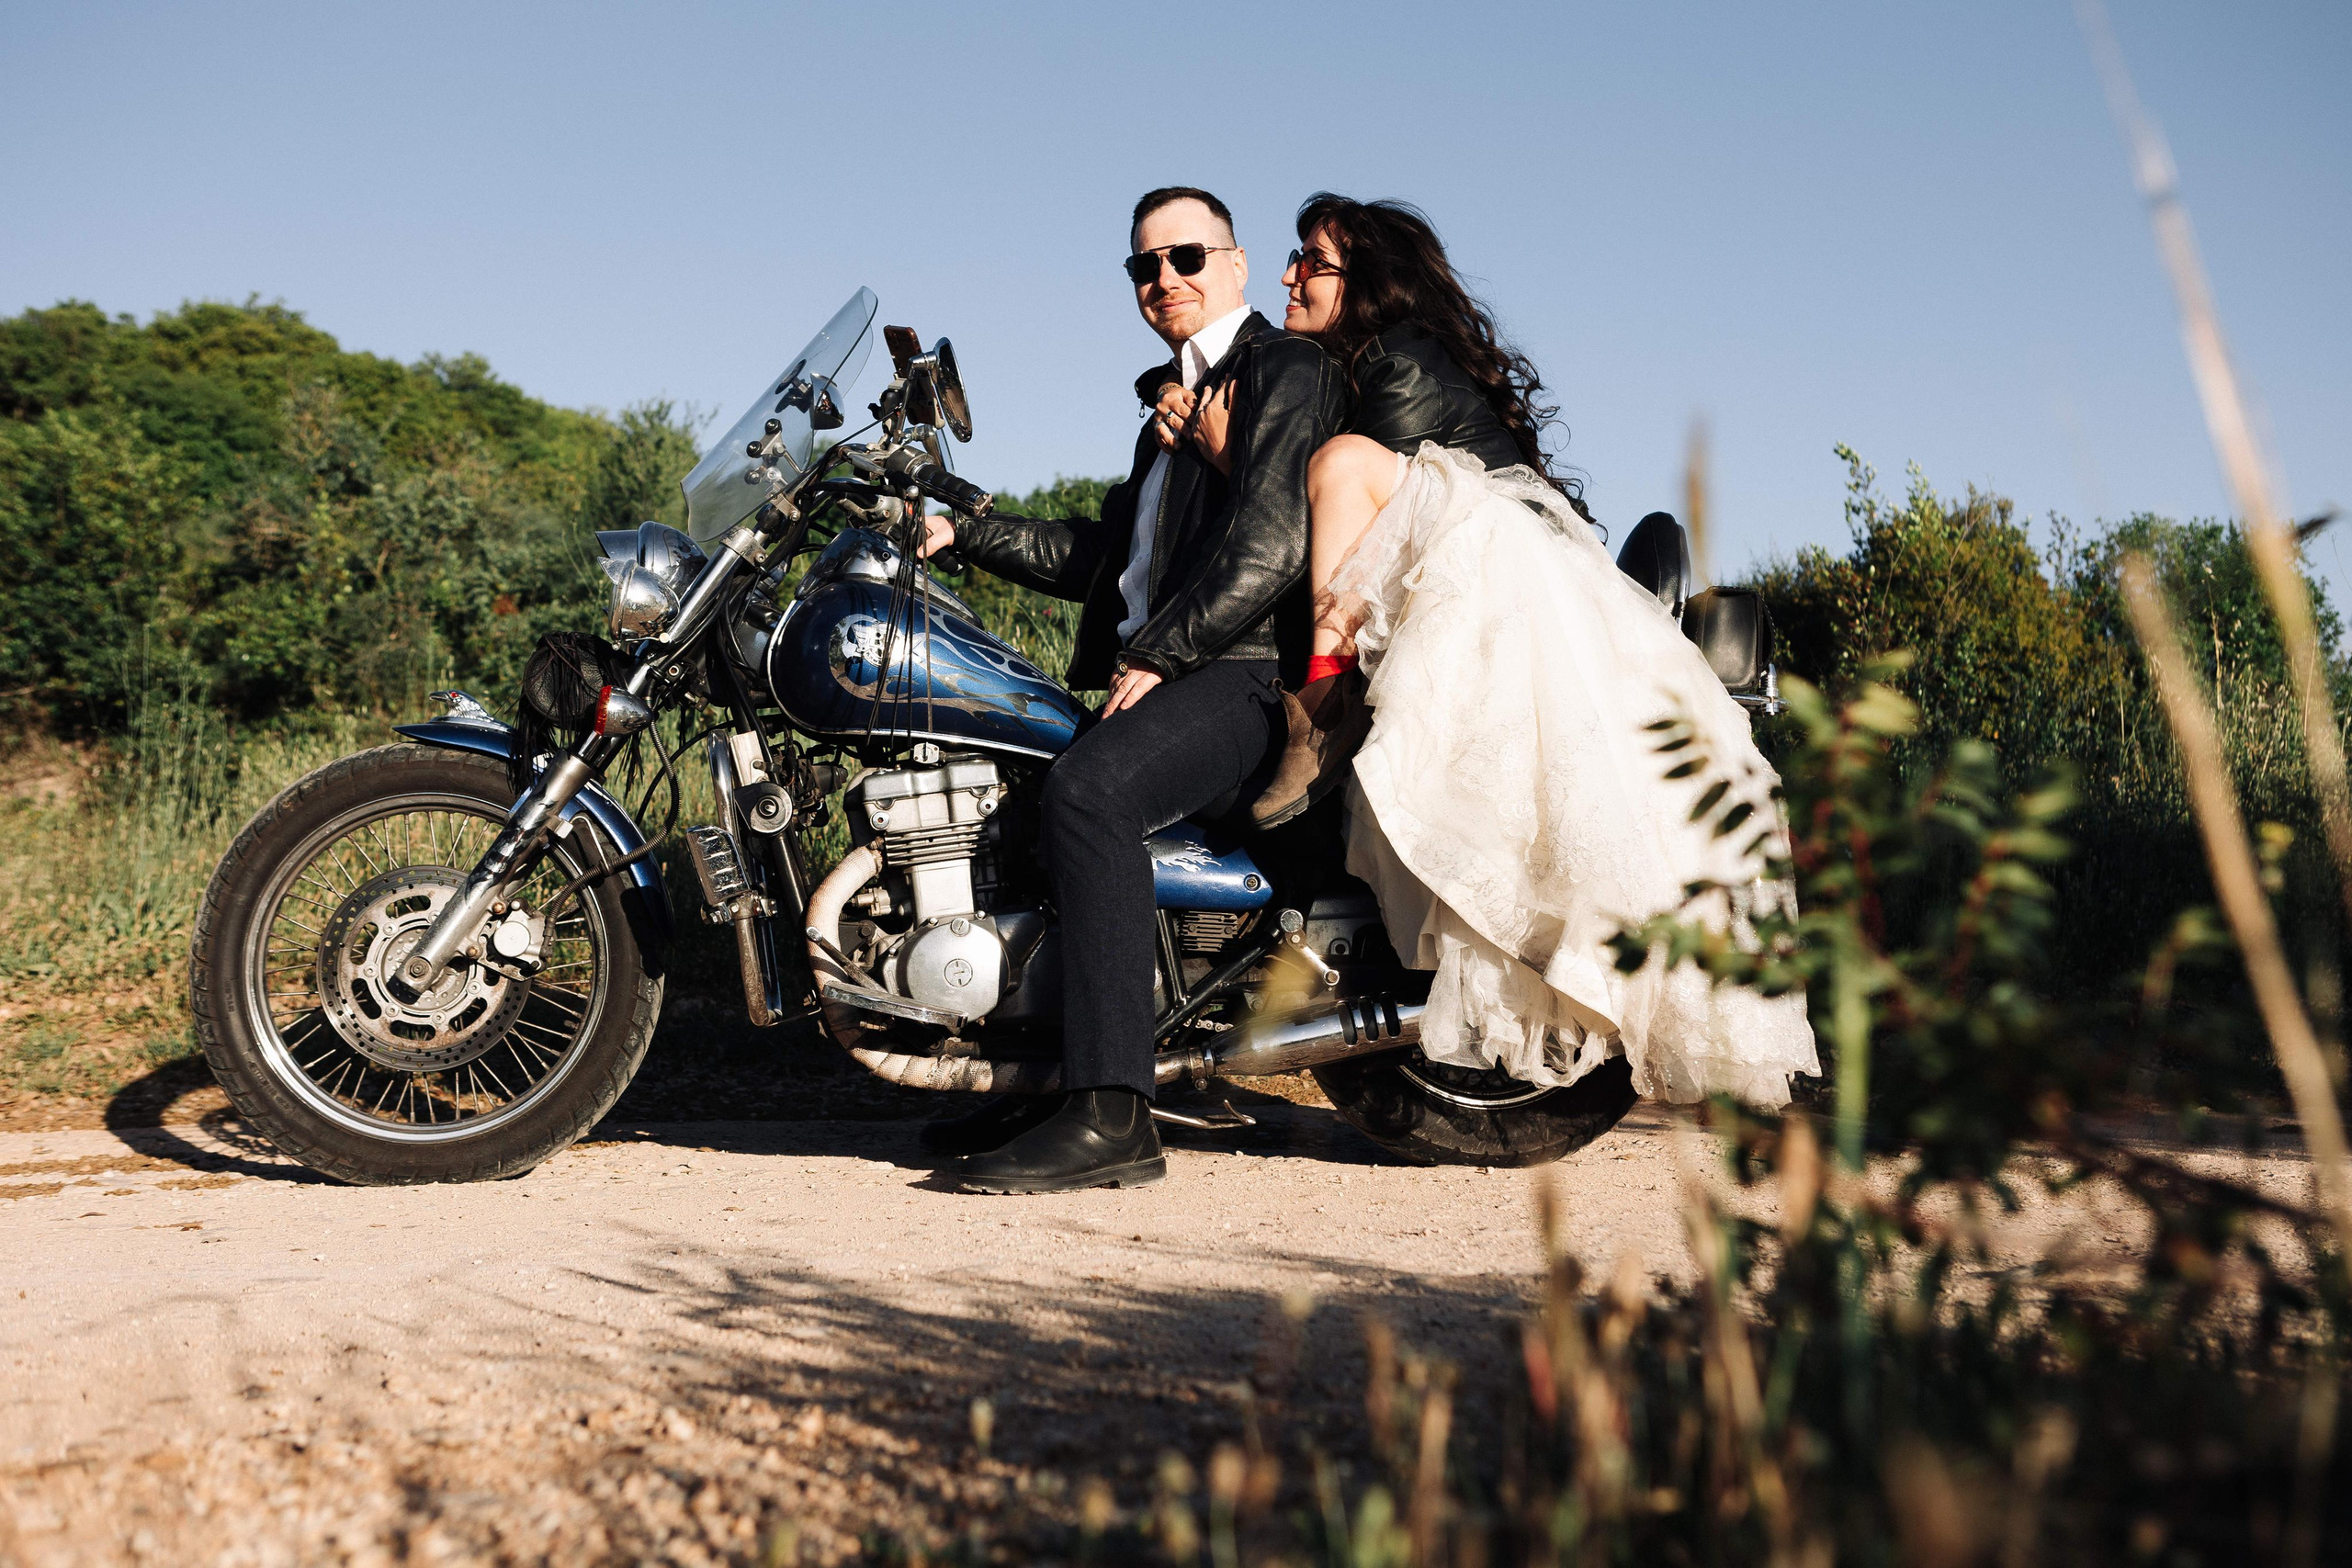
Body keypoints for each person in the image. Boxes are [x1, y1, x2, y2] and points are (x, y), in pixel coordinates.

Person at [1159, 194, 1817, 1109]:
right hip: (1471, 565)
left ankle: (1322, 704)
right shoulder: (1363, 362)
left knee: (1341, 463)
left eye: (1310, 260)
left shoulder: (1395, 359)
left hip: (1491, 567)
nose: (1288, 275)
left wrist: (1234, 457)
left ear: (1367, 281)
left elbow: (1333, 513)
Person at [917, 186, 1349, 1191]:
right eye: (1144, 266)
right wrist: (959, 530)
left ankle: (1113, 1114)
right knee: (1024, 797)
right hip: (1187, 664)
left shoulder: (1285, 369)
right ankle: (1046, 1080)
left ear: (1236, 266)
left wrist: (1161, 650)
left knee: (1089, 794)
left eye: (1186, 257)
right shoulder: (1170, 407)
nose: (1164, 278)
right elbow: (1103, 556)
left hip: (1245, 673)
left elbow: (1276, 542)